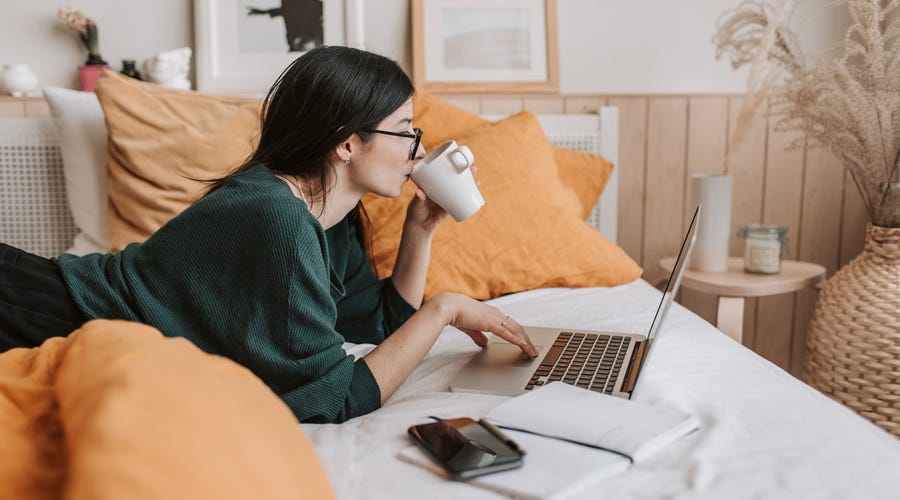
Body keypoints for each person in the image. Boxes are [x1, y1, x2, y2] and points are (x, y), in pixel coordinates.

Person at [0, 46, 537, 423]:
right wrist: (442, 309)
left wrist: (420, 233)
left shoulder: (330, 215)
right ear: (346, 144)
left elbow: (376, 328)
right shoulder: (276, 219)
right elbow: (339, 398)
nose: (418, 149)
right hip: (45, 313)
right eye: (405, 131)